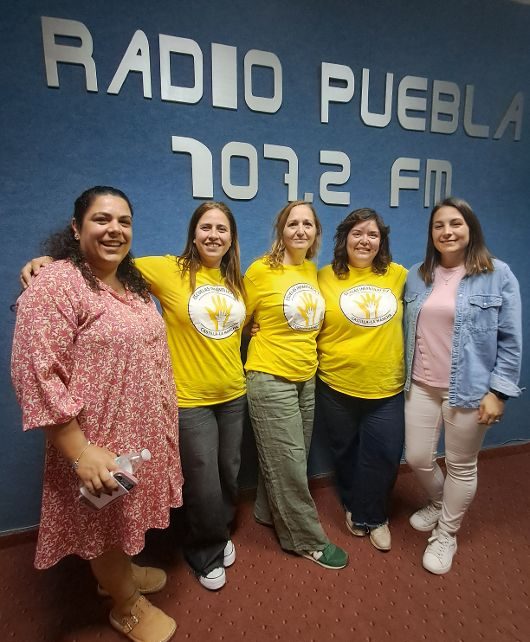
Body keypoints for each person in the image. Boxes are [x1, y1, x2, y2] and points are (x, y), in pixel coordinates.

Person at [20, 201, 247, 592]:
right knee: (204, 480)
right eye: (206, 227)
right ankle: (204, 550)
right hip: (190, 399)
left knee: (229, 471)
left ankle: (218, 531)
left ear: (231, 238)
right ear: (193, 234)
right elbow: (100, 262)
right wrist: (49, 262)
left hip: (232, 393)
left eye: (221, 229)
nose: (213, 235)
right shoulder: (169, 269)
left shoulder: (237, 282)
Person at [12, 186, 183, 642]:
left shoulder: (133, 285)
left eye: (124, 221)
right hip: (94, 439)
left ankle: (118, 574)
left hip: (139, 432)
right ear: (76, 227)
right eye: (102, 219)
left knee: (118, 517)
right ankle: (125, 607)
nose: (115, 229)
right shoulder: (57, 283)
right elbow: (36, 371)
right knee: (102, 520)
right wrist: (79, 449)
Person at [403, 197, 522, 575]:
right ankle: (441, 503)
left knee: (461, 465)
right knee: (417, 457)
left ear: (470, 228)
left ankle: (447, 533)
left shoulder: (497, 274)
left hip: (470, 389)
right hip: (421, 384)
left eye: (455, 223)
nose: (447, 231)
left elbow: (511, 341)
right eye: (439, 225)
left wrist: (499, 392)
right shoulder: (417, 274)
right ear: (431, 233)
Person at [244, 200, 348, 570]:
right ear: (281, 230)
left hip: (306, 377)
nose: (300, 230)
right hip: (269, 377)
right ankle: (307, 540)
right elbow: (236, 317)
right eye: (293, 223)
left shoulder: (311, 270)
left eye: (308, 224)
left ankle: (267, 511)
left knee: (290, 458)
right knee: (288, 463)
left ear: (316, 232)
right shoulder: (260, 270)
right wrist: (251, 329)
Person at [315, 208, 407, 552]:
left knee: (383, 455)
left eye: (372, 234)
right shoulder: (324, 277)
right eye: (357, 233)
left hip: (385, 386)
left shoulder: (399, 275)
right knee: (345, 452)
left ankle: (376, 516)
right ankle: (355, 506)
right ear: (344, 238)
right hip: (336, 385)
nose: (364, 240)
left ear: (381, 241)